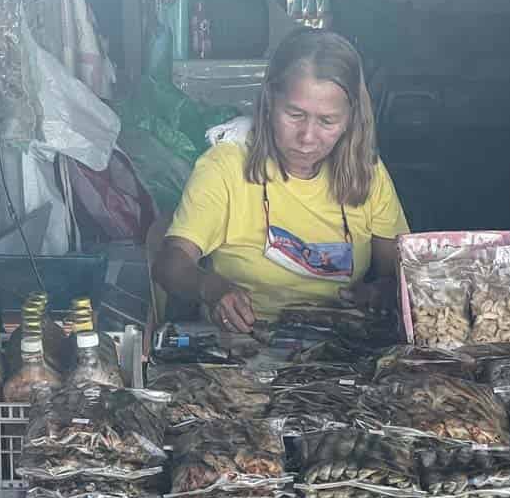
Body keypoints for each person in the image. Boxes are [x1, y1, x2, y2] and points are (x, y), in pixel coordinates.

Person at [153, 28, 410, 333]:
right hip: (243, 346)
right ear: (269, 102)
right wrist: (211, 288)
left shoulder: (366, 172)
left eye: (327, 121)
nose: (307, 137)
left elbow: (402, 274)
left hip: (341, 348)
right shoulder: (226, 166)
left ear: (351, 119)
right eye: (294, 114)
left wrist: (383, 292)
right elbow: (170, 264)